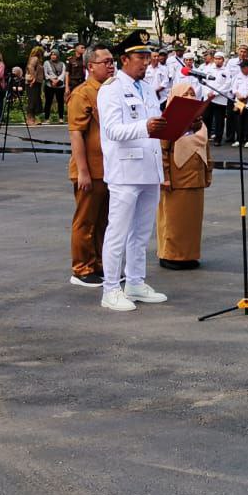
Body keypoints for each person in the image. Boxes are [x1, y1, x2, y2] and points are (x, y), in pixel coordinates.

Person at [96, 30, 170, 312]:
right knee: (118, 232)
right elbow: (112, 130)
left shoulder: (148, 88)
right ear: (124, 59)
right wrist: (145, 127)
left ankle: (136, 282)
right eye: (141, 56)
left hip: (149, 169)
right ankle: (111, 289)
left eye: (148, 56)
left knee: (141, 233)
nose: (146, 62)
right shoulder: (111, 89)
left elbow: (156, 122)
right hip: (126, 171)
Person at [67, 45, 114, 288]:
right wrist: (83, 171)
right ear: (90, 66)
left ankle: (98, 263)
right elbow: (76, 134)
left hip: (109, 169)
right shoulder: (83, 94)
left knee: (103, 220)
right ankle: (82, 267)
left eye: (111, 61)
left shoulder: (110, 91)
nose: (110, 65)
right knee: (85, 221)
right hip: (90, 169)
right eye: (104, 61)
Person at [158, 81, 213, 270]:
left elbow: (206, 150)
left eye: (192, 94)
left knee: (192, 221)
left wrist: (208, 173)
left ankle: (189, 255)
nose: (189, 98)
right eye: (185, 94)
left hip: (195, 177)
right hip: (176, 179)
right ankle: (170, 255)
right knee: (174, 220)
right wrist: (164, 177)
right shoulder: (168, 120)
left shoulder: (199, 123)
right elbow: (162, 151)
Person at [202, 51, 231, 145]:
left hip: (220, 99)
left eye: (220, 59)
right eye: (216, 58)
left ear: (223, 60)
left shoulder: (226, 71)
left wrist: (214, 93)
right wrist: (208, 93)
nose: (218, 61)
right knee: (206, 118)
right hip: (208, 97)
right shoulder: (208, 69)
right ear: (213, 59)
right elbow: (203, 82)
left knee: (219, 120)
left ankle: (218, 139)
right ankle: (206, 137)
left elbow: (227, 85)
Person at [231, 60, 248, 148]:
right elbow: (234, 88)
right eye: (241, 67)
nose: (242, 69)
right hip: (239, 101)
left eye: (244, 67)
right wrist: (238, 95)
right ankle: (239, 139)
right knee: (238, 120)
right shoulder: (237, 76)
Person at [42, 50, 66, 123]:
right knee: (48, 102)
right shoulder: (46, 63)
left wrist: (57, 80)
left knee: (60, 102)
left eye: (55, 55)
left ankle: (61, 118)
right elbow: (45, 73)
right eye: (52, 55)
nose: (53, 56)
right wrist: (52, 80)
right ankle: (46, 118)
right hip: (49, 84)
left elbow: (63, 73)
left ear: (57, 56)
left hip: (59, 85)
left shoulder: (62, 64)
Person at [24, 45, 44, 126]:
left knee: (35, 100)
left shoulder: (35, 59)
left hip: (37, 82)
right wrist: (33, 78)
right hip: (33, 82)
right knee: (32, 100)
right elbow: (30, 67)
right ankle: (29, 119)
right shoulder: (35, 58)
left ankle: (33, 118)